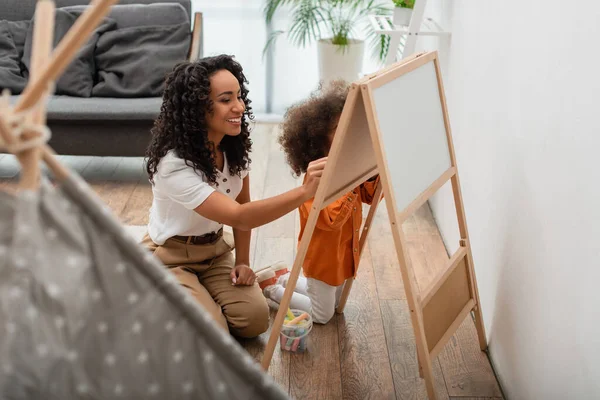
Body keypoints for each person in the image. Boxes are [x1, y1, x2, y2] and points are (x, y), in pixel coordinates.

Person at [141, 54, 327, 338]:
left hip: (214, 251)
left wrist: (242, 261)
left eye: (239, 96)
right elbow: (239, 216)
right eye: (226, 99)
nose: (239, 107)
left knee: (254, 321)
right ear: (197, 108)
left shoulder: (234, 147)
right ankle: (163, 294)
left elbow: (244, 205)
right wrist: (303, 192)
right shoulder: (173, 165)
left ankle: (202, 299)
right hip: (172, 256)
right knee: (212, 333)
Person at [257, 80, 380, 324]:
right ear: (319, 138)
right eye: (339, 127)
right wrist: (351, 183)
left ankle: (284, 277)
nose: (348, 132)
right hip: (324, 261)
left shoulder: (348, 166)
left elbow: (370, 195)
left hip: (342, 255)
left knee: (334, 302)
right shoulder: (316, 180)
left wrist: (373, 171)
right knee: (323, 314)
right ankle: (272, 289)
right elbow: (330, 220)